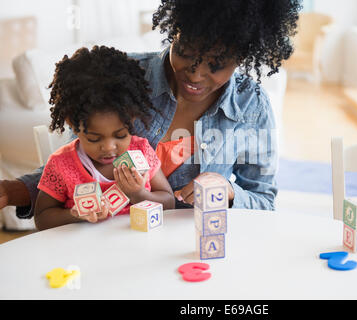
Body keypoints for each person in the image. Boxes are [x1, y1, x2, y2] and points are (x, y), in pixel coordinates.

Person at [0, 0, 301, 220]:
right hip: (112, 240)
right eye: (185, 52)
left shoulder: (251, 107)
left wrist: (228, 191)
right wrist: (14, 190)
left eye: (217, 64)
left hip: (192, 246)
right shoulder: (120, 78)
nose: (195, 75)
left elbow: (264, 201)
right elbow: (74, 166)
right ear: (175, 31)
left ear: (243, 58)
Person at [34, 46, 174, 230]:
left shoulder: (141, 151)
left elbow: (169, 202)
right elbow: (42, 218)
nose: (108, 147)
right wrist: (75, 214)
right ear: (72, 123)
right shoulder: (61, 164)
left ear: (133, 119)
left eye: (121, 135)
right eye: (94, 138)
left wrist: (139, 194)